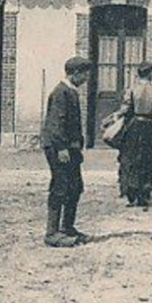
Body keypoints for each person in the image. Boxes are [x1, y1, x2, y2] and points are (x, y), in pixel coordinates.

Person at [41, 55, 93, 248]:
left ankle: (67, 228)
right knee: (60, 187)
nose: (86, 79)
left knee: (75, 187)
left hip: (70, 149)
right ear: (75, 73)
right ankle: (52, 233)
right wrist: (62, 148)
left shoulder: (71, 91)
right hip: (58, 148)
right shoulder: (60, 92)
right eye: (85, 74)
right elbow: (56, 123)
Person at [115, 61, 152, 208]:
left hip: (134, 127)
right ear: (151, 74)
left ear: (138, 74)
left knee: (130, 160)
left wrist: (115, 117)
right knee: (149, 161)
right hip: (149, 128)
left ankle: (131, 195)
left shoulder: (132, 90)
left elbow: (125, 109)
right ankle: (144, 195)